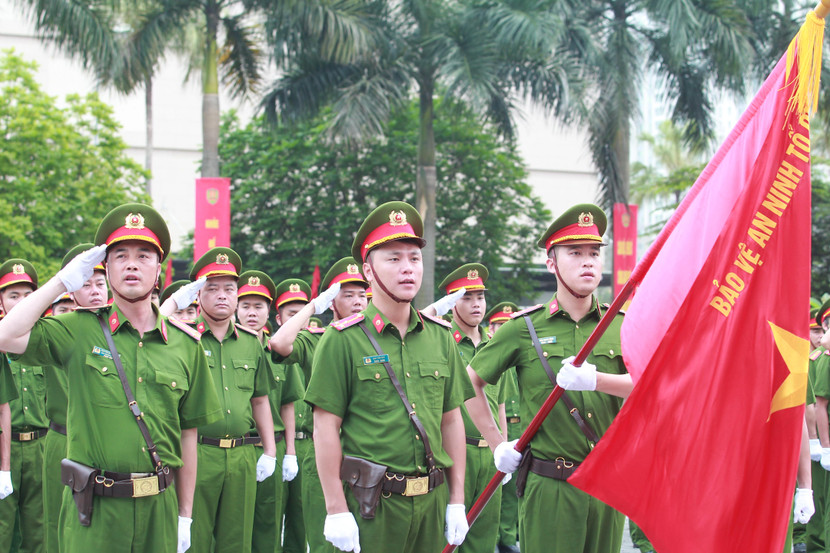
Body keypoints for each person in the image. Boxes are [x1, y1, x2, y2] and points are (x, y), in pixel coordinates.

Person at [0, 203, 222, 553]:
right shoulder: (77, 330)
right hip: (95, 512)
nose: (132, 263)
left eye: (143, 255)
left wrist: (185, 515)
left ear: (159, 269)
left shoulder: (185, 344)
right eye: (120, 255)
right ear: (106, 268)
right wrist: (60, 284)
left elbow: (188, 436)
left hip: (158, 510)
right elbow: (5, 336)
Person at [305, 201, 472, 553]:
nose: (407, 269)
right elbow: (325, 428)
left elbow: (452, 420)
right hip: (374, 506)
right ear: (368, 270)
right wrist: (335, 509)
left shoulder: (441, 337)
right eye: (393, 259)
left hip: (432, 500)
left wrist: (456, 500)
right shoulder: (342, 340)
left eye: (414, 258)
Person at [465, 204, 629, 553]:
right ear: (551, 263)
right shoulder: (524, 329)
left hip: (608, 483)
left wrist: (597, 380)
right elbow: (469, 383)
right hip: (550, 485)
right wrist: (497, 445)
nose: (588, 261)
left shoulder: (621, 326)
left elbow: (649, 386)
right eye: (575, 253)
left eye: (594, 252)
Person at [177, 247, 277, 553]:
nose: (222, 295)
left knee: (237, 541)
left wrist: (270, 450)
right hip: (197, 453)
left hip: (241, 455)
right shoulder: (183, 339)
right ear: (198, 294)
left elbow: (260, 400)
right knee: (195, 539)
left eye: (229, 289)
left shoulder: (251, 343)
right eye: (212, 288)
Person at [270, 258, 368, 553]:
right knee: (326, 541)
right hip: (325, 453)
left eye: (362, 295)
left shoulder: (379, 341)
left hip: (367, 453)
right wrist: (313, 307)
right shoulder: (318, 340)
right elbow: (279, 344)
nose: (357, 302)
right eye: (347, 294)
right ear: (332, 300)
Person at [423, 263, 508, 553]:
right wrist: (435, 310)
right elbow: (413, 324)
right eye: (466, 297)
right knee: (448, 537)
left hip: (490, 454)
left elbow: (500, 406)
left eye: (480, 297)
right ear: (451, 303)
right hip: (454, 454)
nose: (476, 305)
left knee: (483, 537)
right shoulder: (439, 339)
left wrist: (503, 449)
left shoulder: (494, 344)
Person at [41, 244, 108, 553]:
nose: (94, 290)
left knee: (97, 528)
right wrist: (58, 283)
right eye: (85, 283)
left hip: (101, 443)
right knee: (56, 522)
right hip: (61, 438)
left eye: (100, 282)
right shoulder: (60, 331)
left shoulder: (126, 330)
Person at [235, 270, 304, 553]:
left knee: (269, 528)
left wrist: (289, 452)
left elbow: (288, 403)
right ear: (236, 309)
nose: (252, 313)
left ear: (270, 312)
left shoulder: (279, 352)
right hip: (237, 448)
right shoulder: (224, 347)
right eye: (246, 306)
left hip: (271, 449)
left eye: (259, 306)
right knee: (233, 528)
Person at [0, 259, 48, 553]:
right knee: (3, 527)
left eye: (28, 296)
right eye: (13, 295)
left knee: (39, 528)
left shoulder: (47, 342)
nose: (20, 303)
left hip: (40, 448)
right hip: (5, 445)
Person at [484, 301, 522, 553]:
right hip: (495, 432)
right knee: (498, 493)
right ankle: (504, 538)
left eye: (508, 326)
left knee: (518, 489)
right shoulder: (488, 356)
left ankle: (512, 536)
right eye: (499, 325)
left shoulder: (525, 354)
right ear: (490, 328)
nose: (503, 330)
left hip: (523, 430)